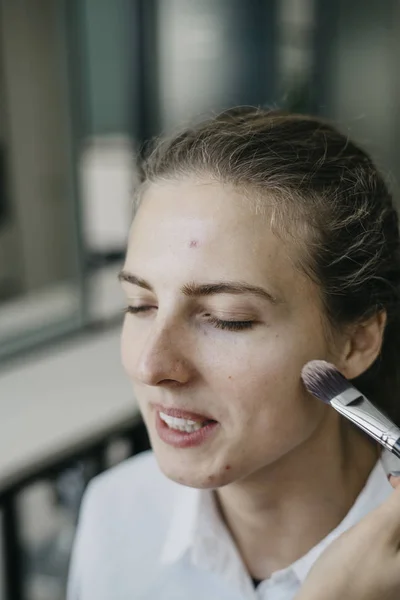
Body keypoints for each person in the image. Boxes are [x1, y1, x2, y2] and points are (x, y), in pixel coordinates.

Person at [67, 107, 400, 600]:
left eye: (228, 318)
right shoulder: (117, 511)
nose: (151, 366)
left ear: (357, 341)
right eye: (140, 305)